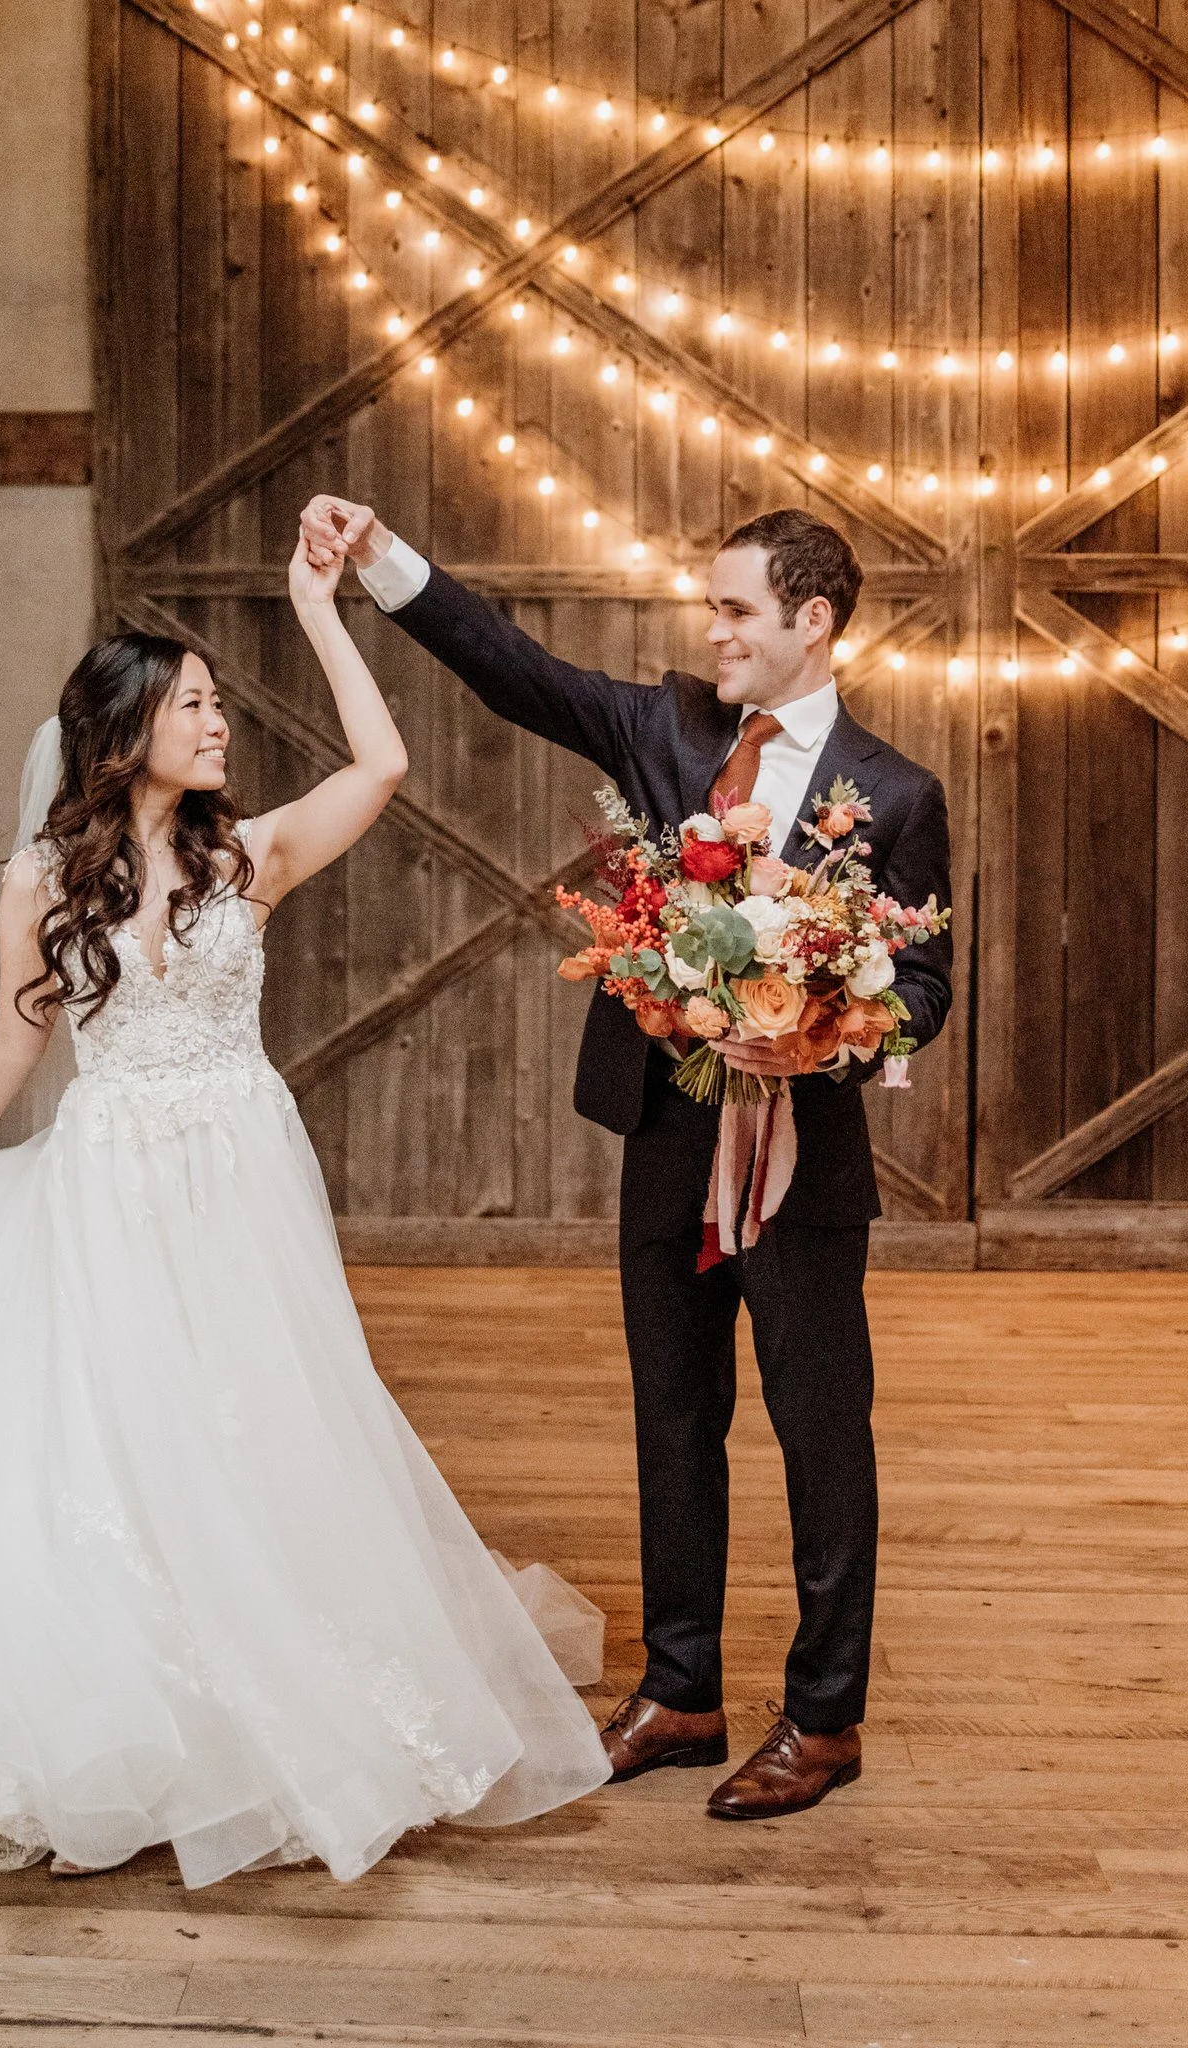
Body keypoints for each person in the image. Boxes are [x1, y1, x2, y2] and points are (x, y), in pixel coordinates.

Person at [0, 532, 609, 1895]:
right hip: (110, 1176)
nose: (219, 719)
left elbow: (384, 767)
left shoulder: (248, 858)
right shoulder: (41, 881)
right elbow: (20, 1040)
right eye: (192, 702)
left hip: (240, 1171)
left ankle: (284, 1678)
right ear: (125, 730)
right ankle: (138, 1704)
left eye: (217, 701)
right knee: (126, 1435)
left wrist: (316, 603)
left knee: (256, 1416)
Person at [299, 496, 953, 1823]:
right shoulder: (666, 731)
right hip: (664, 1135)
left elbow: (925, 988)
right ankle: (682, 1691)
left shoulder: (895, 793)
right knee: (673, 1414)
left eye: (735, 610)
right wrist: (380, 559)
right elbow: (516, 671)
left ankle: (825, 1719)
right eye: (709, 607)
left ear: (811, 622)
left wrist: (832, 1034)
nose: (711, 631)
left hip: (803, 1164)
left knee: (823, 1434)